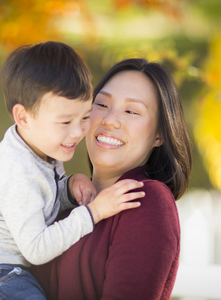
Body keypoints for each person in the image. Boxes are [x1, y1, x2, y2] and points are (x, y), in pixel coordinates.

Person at [0, 42, 143, 300]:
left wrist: (68, 189)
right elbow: (37, 249)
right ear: (24, 118)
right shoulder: (18, 172)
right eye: (65, 122)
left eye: (85, 117)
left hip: (1, 275)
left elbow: (39, 198)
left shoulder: (40, 147)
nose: (77, 132)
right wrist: (94, 212)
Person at [31, 58, 192, 300]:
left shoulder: (144, 201)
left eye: (131, 111)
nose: (109, 119)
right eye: (102, 104)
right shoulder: (61, 201)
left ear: (159, 134)